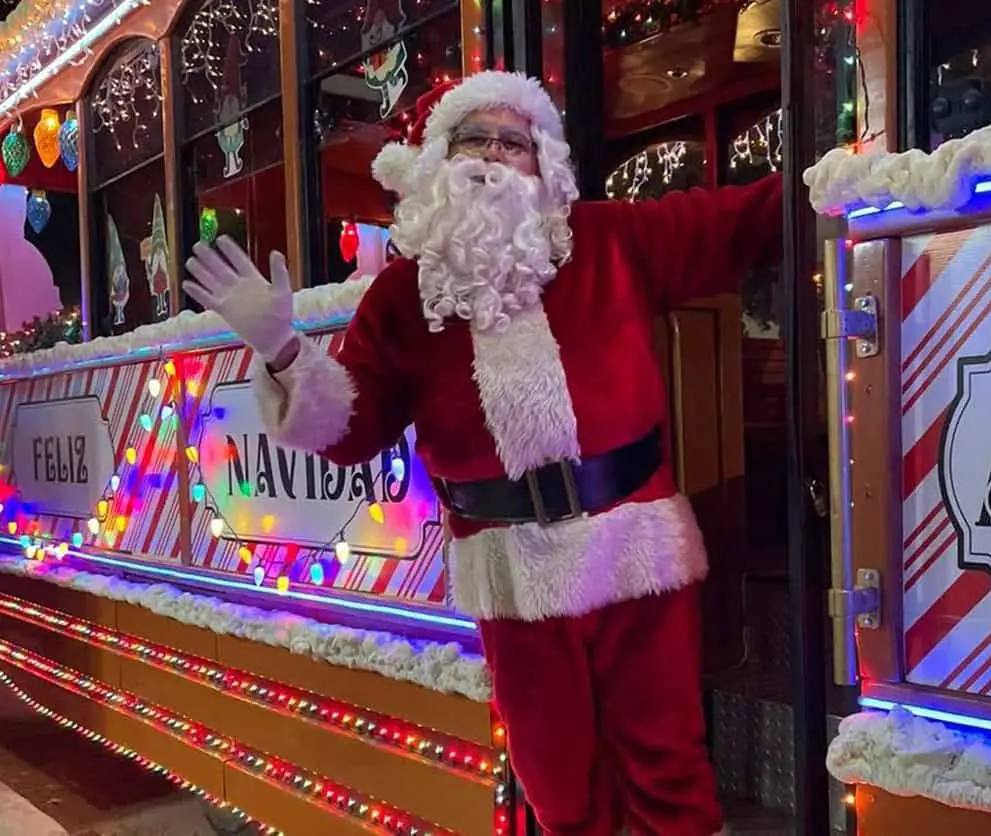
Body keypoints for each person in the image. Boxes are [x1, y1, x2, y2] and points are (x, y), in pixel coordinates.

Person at [182, 70, 783, 835]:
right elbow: (353, 429)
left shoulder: (610, 240)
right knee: (558, 786)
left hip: (637, 548)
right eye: (475, 140)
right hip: (510, 573)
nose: (494, 157)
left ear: (544, 165)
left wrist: (846, 176)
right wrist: (283, 352)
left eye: (514, 142)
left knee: (669, 771)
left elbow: (738, 220)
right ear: (439, 159)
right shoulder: (402, 297)